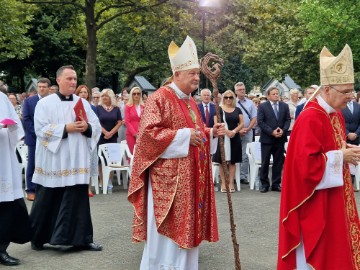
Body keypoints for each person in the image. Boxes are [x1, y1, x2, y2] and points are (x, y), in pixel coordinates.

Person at [128, 35, 225, 269]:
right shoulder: (159, 98)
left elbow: (196, 133)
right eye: (192, 73)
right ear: (176, 74)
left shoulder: (189, 101)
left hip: (190, 180)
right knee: (167, 241)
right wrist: (183, 136)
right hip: (169, 184)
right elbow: (147, 137)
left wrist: (211, 132)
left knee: (188, 233)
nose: (196, 77)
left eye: (198, 74)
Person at [278, 44, 360, 269]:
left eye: (351, 91)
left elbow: (332, 148)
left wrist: (346, 152)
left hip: (335, 196)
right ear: (326, 90)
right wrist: (339, 157)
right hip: (313, 203)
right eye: (345, 92)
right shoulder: (310, 118)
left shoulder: (336, 115)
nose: (350, 98)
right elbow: (306, 167)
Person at [30, 65, 102, 252]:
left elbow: (96, 126)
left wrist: (87, 127)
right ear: (58, 80)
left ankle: (83, 239)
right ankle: (38, 238)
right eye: (69, 78)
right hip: (55, 160)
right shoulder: (45, 103)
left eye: (75, 79)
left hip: (77, 160)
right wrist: (66, 128)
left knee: (78, 200)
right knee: (48, 198)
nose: (73, 82)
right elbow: (40, 129)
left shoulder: (83, 103)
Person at [0, 92, 32, 266]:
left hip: (4, 156)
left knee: (5, 206)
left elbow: (15, 123)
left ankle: (1, 249)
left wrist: (11, 127)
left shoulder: (2, 98)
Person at [257, 86, 290, 193]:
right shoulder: (263, 106)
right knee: (265, 162)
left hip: (280, 138)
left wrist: (283, 130)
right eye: (274, 94)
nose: (276, 95)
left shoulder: (284, 106)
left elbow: (287, 120)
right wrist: (271, 132)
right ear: (268, 96)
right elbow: (260, 122)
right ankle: (265, 184)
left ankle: (276, 184)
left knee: (278, 162)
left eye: (277, 94)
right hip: (267, 139)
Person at [22, 78, 51, 201]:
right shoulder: (29, 101)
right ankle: (30, 190)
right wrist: (37, 133)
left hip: (49, 138)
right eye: (40, 86)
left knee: (48, 163)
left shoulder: (52, 101)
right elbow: (26, 119)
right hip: (34, 138)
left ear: (49, 88)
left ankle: (45, 189)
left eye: (44, 86)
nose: (42, 88)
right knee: (32, 164)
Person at [213, 90, 244, 192]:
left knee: (232, 162)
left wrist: (234, 131)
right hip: (222, 137)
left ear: (233, 98)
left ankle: (231, 183)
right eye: (226, 97)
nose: (228, 99)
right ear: (223, 98)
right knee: (222, 161)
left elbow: (242, 123)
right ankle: (223, 183)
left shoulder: (237, 109)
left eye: (230, 97)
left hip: (234, 138)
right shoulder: (218, 109)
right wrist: (226, 132)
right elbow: (216, 123)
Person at [75, 85, 99, 197]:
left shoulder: (92, 107)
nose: (83, 94)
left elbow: (96, 123)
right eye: (81, 92)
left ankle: (88, 188)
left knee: (88, 164)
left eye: (85, 92)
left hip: (90, 137)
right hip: (78, 137)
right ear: (77, 93)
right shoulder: (73, 106)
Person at [96, 88, 122, 188]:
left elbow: (119, 121)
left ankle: (109, 181)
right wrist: (105, 132)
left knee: (112, 160)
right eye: (102, 96)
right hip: (101, 137)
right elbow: (96, 122)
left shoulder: (116, 109)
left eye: (106, 95)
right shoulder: (98, 108)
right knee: (100, 160)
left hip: (113, 137)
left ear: (111, 96)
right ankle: (102, 181)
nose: (104, 97)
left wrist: (111, 132)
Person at [235, 82, 257, 184]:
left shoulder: (250, 103)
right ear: (235, 91)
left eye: (243, 89)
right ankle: (234, 175)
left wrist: (247, 129)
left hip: (248, 132)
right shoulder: (232, 102)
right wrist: (238, 130)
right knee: (234, 153)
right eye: (240, 90)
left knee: (245, 154)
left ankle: (243, 176)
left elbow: (254, 118)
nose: (242, 91)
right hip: (234, 131)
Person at [125, 87, 144, 154]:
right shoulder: (128, 106)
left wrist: (141, 133)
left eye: (138, 94)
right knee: (132, 154)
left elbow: (145, 121)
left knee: (141, 154)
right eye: (134, 94)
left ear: (140, 95)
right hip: (131, 134)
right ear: (131, 95)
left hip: (142, 134)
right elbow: (127, 121)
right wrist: (134, 134)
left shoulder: (143, 106)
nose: (136, 95)